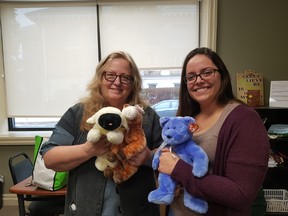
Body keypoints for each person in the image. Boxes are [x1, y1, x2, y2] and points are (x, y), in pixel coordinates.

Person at [40, 51, 162, 216]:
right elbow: (50, 158)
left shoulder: (146, 116)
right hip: (87, 209)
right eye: (110, 75)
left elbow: (168, 157)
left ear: (133, 83)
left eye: (125, 77)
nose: (117, 82)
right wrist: (88, 150)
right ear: (100, 78)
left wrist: (148, 157)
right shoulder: (78, 113)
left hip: (138, 209)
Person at [157, 47, 270, 216]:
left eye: (207, 72)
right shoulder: (187, 118)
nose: (199, 80)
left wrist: (179, 171)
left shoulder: (245, 120)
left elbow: (240, 194)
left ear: (222, 75)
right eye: (191, 77)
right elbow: (176, 161)